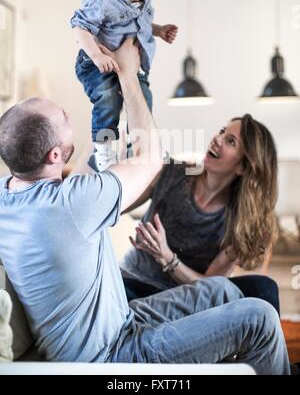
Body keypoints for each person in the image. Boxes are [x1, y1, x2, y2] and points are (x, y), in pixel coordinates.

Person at [0, 40, 290, 374]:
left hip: (120, 319)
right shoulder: (75, 202)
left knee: (224, 289)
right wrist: (128, 74)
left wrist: (108, 107)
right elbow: (149, 160)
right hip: (113, 352)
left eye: (230, 139)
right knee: (261, 317)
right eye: (63, 116)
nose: (216, 139)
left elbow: (95, 162)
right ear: (54, 156)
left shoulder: (13, 193)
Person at [121, 115, 281, 314]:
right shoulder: (170, 172)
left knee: (264, 288)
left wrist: (168, 258)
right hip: (130, 283)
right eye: (222, 131)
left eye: (231, 141)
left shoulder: (240, 220)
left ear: (242, 166)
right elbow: (117, 206)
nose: (217, 139)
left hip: (181, 303)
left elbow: (211, 286)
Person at [70, 0, 177, 169]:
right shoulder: (103, 1)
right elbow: (80, 27)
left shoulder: (145, 3)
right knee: (108, 102)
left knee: (144, 101)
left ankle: (138, 147)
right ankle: (104, 151)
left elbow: (141, 27)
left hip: (132, 69)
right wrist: (97, 55)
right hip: (98, 66)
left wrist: (159, 30)